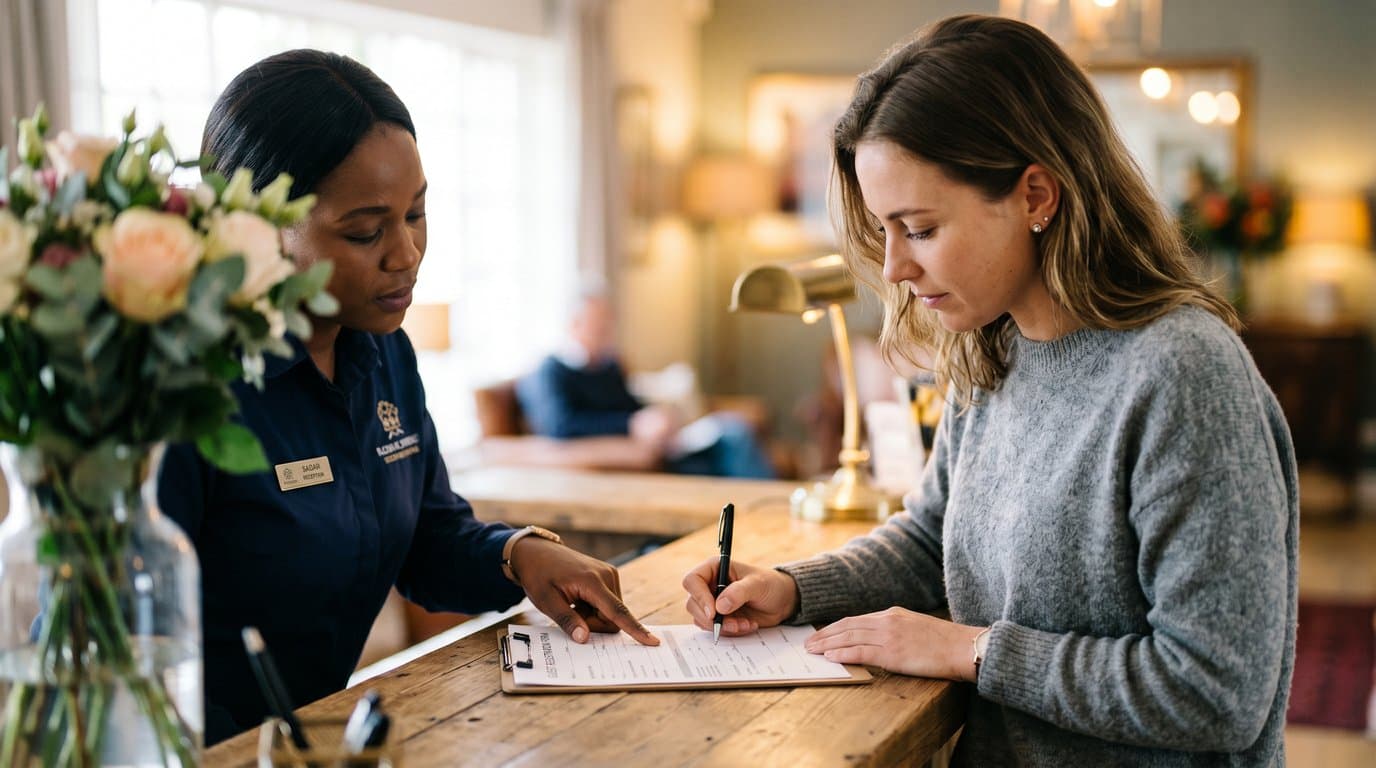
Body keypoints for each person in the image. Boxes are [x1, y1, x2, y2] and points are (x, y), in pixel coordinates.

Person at [683, 15, 1297, 766]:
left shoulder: (1183, 374)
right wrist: (790, 587)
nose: (896, 267)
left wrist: (969, 650)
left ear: (1036, 194)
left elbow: (1215, 694)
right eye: (884, 230)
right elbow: (930, 536)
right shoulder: (993, 347)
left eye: (919, 228)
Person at [158, 50, 657, 745]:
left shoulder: (384, 348)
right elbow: (131, 652)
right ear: (257, 226)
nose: (407, 253)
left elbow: (425, 535)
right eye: (366, 231)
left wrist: (518, 553)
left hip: (325, 738)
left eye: (416, 214)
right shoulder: (182, 388)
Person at [516, 292, 775, 478]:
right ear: (574, 324)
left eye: (607, 324)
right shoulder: (551, 371)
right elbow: (560, 425)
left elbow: (629, 405)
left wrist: (656, 417)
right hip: (631, 448)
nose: (605, 331)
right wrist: (632, 424)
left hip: (657, 442)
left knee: (732, 433)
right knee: (729, 446)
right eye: (598, 324)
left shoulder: (609, 365)